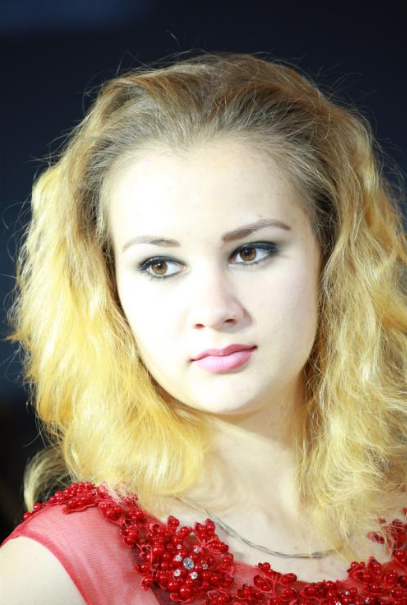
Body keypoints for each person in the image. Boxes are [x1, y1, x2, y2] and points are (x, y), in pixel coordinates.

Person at [1, 52, 406, 605]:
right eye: (159, 265)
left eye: (252, 251)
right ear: (108, 291)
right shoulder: (54, 573)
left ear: (332, 257)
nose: (214, 310)